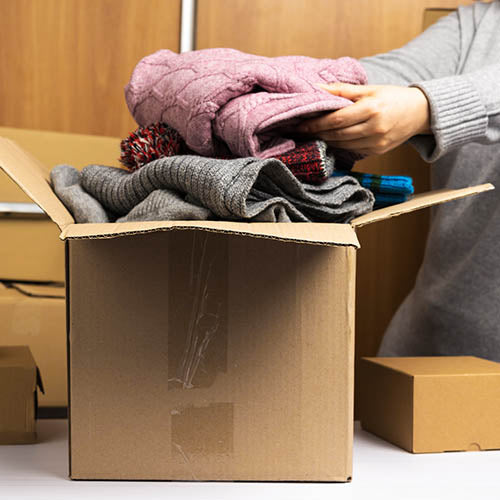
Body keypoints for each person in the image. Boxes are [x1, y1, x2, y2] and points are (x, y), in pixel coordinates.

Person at [298, 1, 500, 361]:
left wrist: (428, 106)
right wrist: (278, 86)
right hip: (433, 345)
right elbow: (376, 76)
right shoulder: (481, 23)